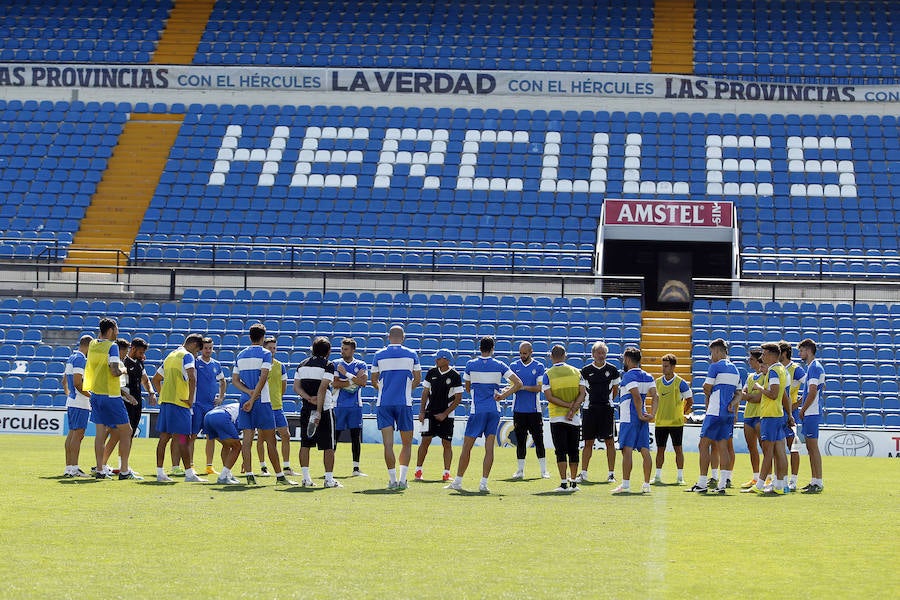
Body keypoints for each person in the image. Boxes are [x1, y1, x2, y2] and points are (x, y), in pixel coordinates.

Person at [445, 336, 521, 493]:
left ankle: (458, 481)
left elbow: (467, 387)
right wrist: (503, 395)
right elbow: (518, 383)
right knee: (489, 448)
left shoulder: (471, 364)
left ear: (480, 348)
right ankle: (483, 483)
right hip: (494, 410)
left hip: (477, 410)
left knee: (467, 447)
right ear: (493, 348)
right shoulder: (499, 365)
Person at [234, 323, 295, 486]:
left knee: (247, 440)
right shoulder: (266, 354)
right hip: (263, 401)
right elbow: (263, 378)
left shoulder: (240, 354)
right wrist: (253, 398)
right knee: (270, 441)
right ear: (262, 337)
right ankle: (280, 477)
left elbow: (234, 380)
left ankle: (249, 475)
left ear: (249, 336)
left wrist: (247, 393)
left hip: (244, 401)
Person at [83, 318, 139, 480]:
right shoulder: (112, 346)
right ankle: (124, 470)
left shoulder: (93, 344)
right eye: (116, 329)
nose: (118, 332)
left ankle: (100, 470)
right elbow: (114, 371)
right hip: (111, 394)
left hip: (96, 394)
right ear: (111, 330)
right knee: (126, 431)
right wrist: (124, 369)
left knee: (100, 434)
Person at [686, 338, 741, 495]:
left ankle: (702, 483)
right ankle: (722, 485)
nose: (711, 356)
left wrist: (709, 397)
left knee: (703, 445)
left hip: (715, 411)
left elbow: (706, 386)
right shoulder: (736, 369)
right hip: (728, 413)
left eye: (711, 353)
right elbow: (739, 394)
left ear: (717, 351)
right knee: (723, 447)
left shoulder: (715, 367)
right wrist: (732, 404)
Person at [371, 325, 421, 490]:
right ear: (403, 337)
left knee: (388, 444)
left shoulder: (378, 355)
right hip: (404, 403)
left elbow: (373, 380)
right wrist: (406, 390)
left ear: (388, 337)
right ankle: (403, 480)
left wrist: (385, 391)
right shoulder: (412, 354)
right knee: (407, 444)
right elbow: (417, 379)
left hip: (384, 403)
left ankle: (392, 480)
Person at [152, 333, 204, 483]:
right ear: (194, 345)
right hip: (180, 404)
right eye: (197, 351)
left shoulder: (170, 356)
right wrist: (190, 399)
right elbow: (192, 378)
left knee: (164, 438)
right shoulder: (187, 356)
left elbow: (156, 379)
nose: (196, 354)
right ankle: (189, 474)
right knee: (182, 438)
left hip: (167, 403)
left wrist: (164, 394)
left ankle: (160, 473)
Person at [294, 336, 339, 488]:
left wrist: (308, 398)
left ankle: (306, 479)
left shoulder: (302, 364)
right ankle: (328, 479)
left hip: (306, 408)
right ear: (328, 351)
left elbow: (296, 387)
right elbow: (322, 388)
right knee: (328, 446)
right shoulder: (328, 365)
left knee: (305, 444)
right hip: (324, 409)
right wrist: (318, 411)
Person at [611, 347, 657, 495]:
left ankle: (626, 485)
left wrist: (639, 414)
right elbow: (655, 397)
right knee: (645, 450)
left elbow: (636, 396)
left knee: (627, 450)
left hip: (629, 418)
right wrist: (651, 414)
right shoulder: (649, 376)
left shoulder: (628, 376)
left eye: (625, 359)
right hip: (642, 417)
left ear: (629, 360)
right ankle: (646, 484)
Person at [542, 345, 587, 492]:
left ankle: (563, 483)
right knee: (574, 450)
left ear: (551, 357)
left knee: (560, 450)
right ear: (565, 355)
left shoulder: (548, 374)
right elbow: (583, 393)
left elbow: (549, 397)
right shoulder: (576, 372)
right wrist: (573, 409)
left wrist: (567, 406)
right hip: (574, 418)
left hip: (556, 417)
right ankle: (573, 482)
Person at [749, 342, 792, 495]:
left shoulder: (773, 371)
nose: (762, 356)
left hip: (770, 415)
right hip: (778, 414)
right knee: (780, 451)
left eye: (764, 353)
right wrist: (790, 414)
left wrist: (759, 387)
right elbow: (784, 394)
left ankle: (760, 485)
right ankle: (781, 485)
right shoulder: (782, 370)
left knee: (768, 451)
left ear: (772, 355)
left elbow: (773, 394)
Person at [415, 348, 463, 482]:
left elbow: (458, 398)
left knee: (447, 443)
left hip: (447, 415)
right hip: (430, 413)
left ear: (446, 360)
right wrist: (422, 411)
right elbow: (425, 392)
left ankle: (446, 473)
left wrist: (445, 414)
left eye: (438, 358)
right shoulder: (431, 372)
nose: (435, 360)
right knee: (425, 441)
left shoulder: (455, 375)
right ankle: (418, 470)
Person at [578, 341, 620, 484]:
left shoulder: (613, 370)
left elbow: (615, 390)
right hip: (589, 410)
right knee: (588, 442)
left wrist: (607, 401)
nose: (601, 355)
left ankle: (611, 474)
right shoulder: (585, 370)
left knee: (610, 442)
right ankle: (583, 473)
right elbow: (582, 392)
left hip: (606, 410)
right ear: (593, 354)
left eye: (603, 353)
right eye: (598, 353)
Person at [508, 342, 549, 479]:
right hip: (518, 410)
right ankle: (520, 471)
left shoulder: (538, 366)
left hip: (534, 410)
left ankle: (544, 471)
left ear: (531, 352)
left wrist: (523, 387)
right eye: (520, 353)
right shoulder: (514, 366)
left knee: (539, 440)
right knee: (520, 441)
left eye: (524, 353)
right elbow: (511, 387)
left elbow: (539, 388)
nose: (522, 356)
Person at [652, 353, 692, 485]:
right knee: (660, 449)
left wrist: (681, 412)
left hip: (676, 423)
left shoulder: (681, 383)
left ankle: (680, 478)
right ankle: (657, 476)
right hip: (660, 422)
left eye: (666, 366)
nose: (663, 368)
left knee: (678, 449)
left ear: (673, 367)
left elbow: (689, 400)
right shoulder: (657, 382)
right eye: (662, 366)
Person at [332, 337, 369, 477]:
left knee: (355, 437)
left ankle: (356, 468)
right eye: (342, 348)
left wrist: (346, 375)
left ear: (353, 350)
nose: (342, 351)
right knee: (335, 437)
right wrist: (353, 381)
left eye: (345, 349)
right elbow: (334, 384)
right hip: (339, 405)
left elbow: (363, 383)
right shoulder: (335, 364)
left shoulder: (361, 364)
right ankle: (329, 469)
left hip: (355, 406)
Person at [258, 336, 291, 477]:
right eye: (270, 348)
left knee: (286, 435)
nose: (272, 350)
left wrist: (277, 397)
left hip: (277, 406)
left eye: (274, 348)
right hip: (263, 406)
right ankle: (263, 466)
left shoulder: (280, 366)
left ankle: (287, 466)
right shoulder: (259, 365)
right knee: (262, 438)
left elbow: (283, 387)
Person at [194, 337, 226, 476]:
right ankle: (189, 465)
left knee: (211, 437)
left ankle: (209, 466)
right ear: (201, 349)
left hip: (211, 406)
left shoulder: (216, 364)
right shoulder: (195, 363)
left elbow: (223, 381)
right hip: (196, 405)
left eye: (210, 348)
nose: (208, 350)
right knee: (191, 435)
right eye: (206, 348)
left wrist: (221, 396)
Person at [62, 335, 93, 478]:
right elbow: (77, 382)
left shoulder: (71, 357)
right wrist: (91, 397)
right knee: (78, 435)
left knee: (72, 434)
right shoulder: (81, 359)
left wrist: (70, 395)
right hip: (80, 403)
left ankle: (69, 468)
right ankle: (74, 468)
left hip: (72, 401)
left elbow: (64, 381)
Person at [797, 338, 825, 493]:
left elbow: (813, 391)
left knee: (812, 447)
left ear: (808, 350)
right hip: (811, 411)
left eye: (801, 350)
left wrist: (802, 409)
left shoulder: (814, 367)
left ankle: (818, 482)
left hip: (812, 412)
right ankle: (814, 480)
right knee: (810, 447)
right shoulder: (812, 367)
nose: (800, 354)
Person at [779, 341, 806, 491]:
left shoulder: (795, 369)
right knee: (778, 447)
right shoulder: (776, 369)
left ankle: (793, 480)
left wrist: (797, 404)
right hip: (777, 411)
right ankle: (779, 479)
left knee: (793, 447)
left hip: (791, 414)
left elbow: (809, 386)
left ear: (783, 353)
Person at [738, 348, 766, 491]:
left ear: (757, 360)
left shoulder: (765, 376)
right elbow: (743, 393)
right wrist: (749, 396)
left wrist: (748, 396)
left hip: (761, 415)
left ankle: (767, 478)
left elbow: (757, 398)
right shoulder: (750, 377)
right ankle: (755, 477)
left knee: (764, 447)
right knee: (751, 447)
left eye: (751, 359)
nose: (749, 361)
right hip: (748, 415)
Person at [202, 402, 242, 485]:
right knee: (237, 447)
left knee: (227, 445)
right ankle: (223, 476)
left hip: (208, 416)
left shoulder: (237, 405)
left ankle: (227, 474)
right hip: (220, 416)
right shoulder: (248, 409)